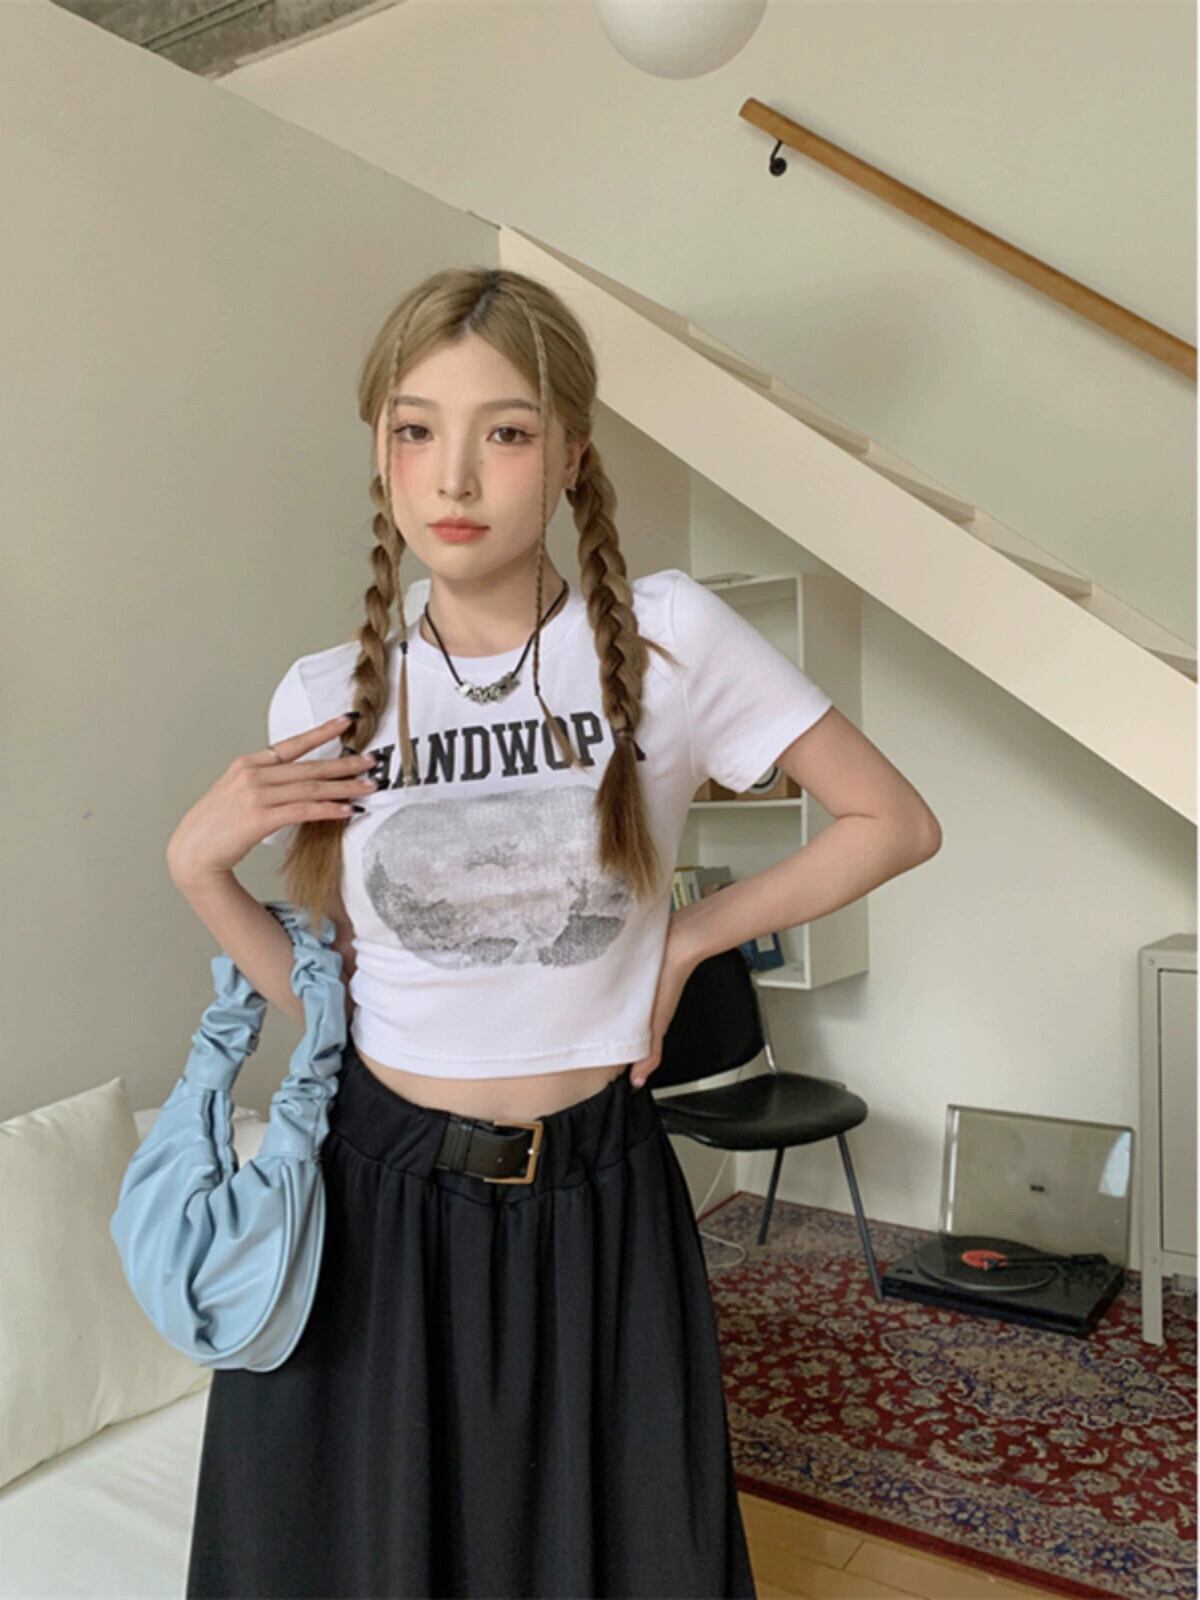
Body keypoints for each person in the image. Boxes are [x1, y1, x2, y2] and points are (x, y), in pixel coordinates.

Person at [168, 265, 937, 1598]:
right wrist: (199, 870)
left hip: (597, 1199)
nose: (454, 476)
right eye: (416, 430)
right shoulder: (324, 696)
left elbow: (893, 821)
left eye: (506, 431)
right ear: (381, 454)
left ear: (572, 454)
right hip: (374, 1200)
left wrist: (691, 939)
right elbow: (337, 994)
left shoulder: (671, 639)